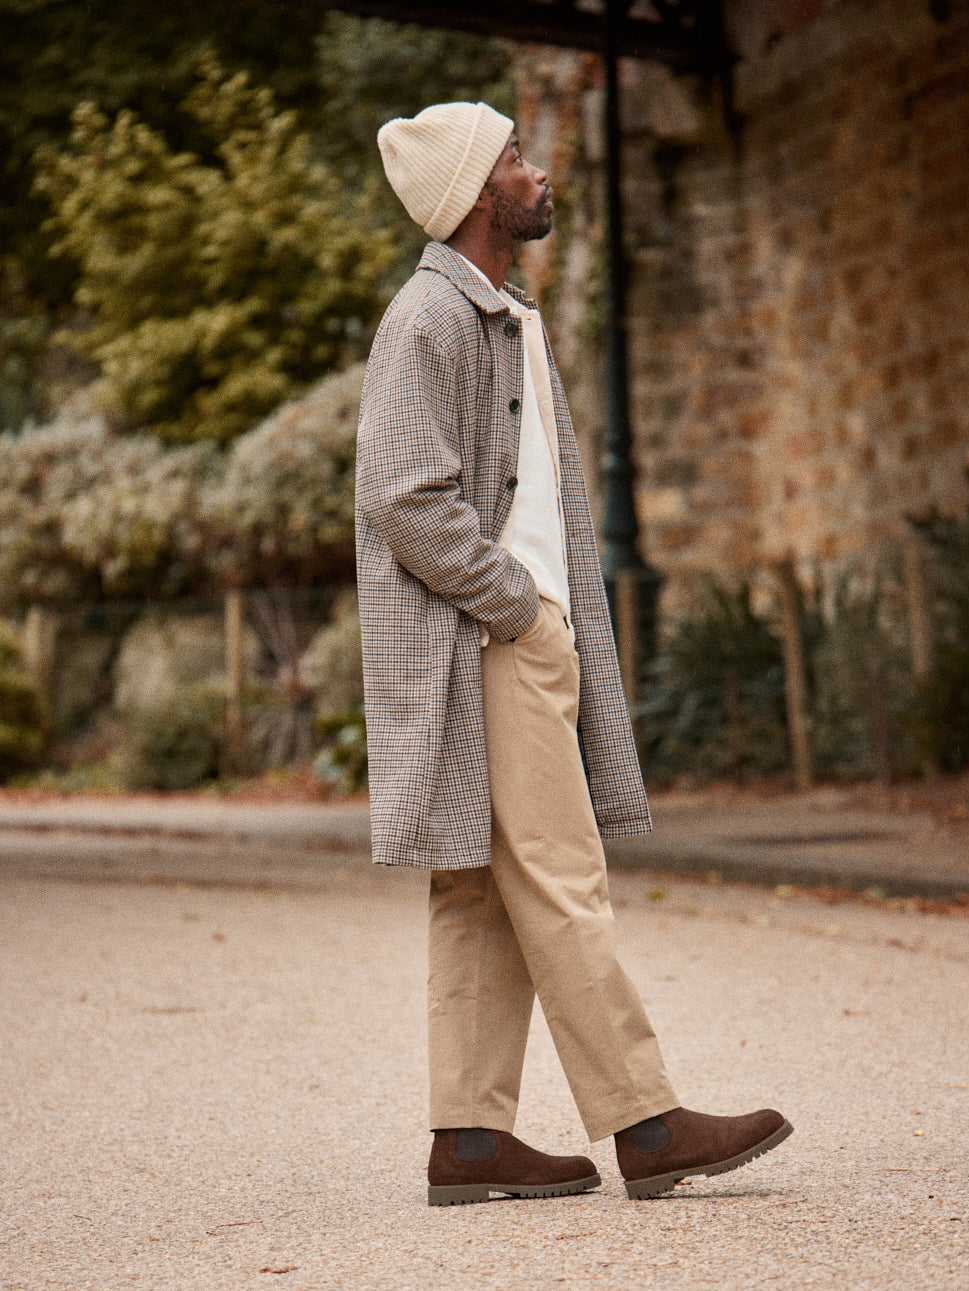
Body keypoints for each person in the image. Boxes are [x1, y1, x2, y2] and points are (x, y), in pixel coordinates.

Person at [356, 101, 792, 1206]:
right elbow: (405, 497)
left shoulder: (501, 311)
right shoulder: (431, 319)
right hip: (492, 643)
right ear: (471, 194)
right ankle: (644, 1120)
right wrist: (519, 609)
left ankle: (467, 1139)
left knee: (481, 893)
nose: (535, 170)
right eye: (511, 158)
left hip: (503, 640)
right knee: (560, 877)